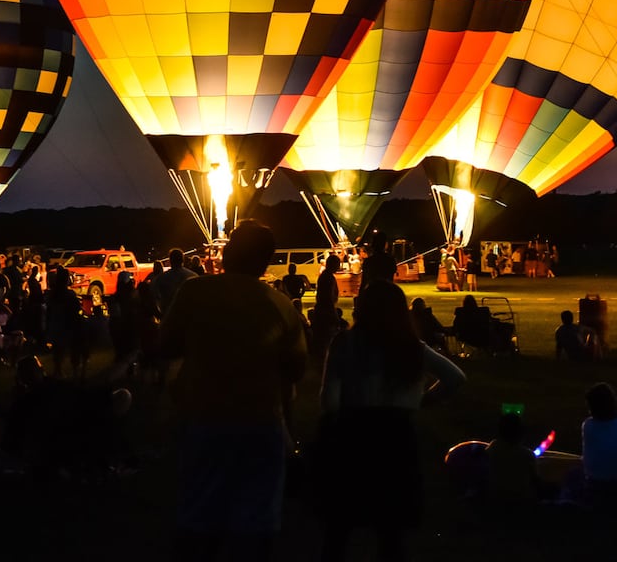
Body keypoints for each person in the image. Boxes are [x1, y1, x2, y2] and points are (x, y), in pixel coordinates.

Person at [156, 220, 307, 562]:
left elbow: (164, 345)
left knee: (199, 516)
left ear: (226, 252)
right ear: (266, 262)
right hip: (261, 422)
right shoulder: (281, 305)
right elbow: (295, 370)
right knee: (257, 523)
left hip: (203, 417)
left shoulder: (195, 293)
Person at [317, 280, 465, 562]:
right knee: (391, 529)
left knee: (340, 526)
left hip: (353, 435)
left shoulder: (345, 343)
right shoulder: (411, 347)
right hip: (397, 435)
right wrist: (422, 399)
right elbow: (455, 378)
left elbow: (329, 400)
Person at [153, 248, 197, 316]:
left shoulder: (161, 278)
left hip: (168, 314)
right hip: (188, 314)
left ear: (170, 260)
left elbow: (155, 296)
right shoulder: (193, 276)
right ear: (182, 260)